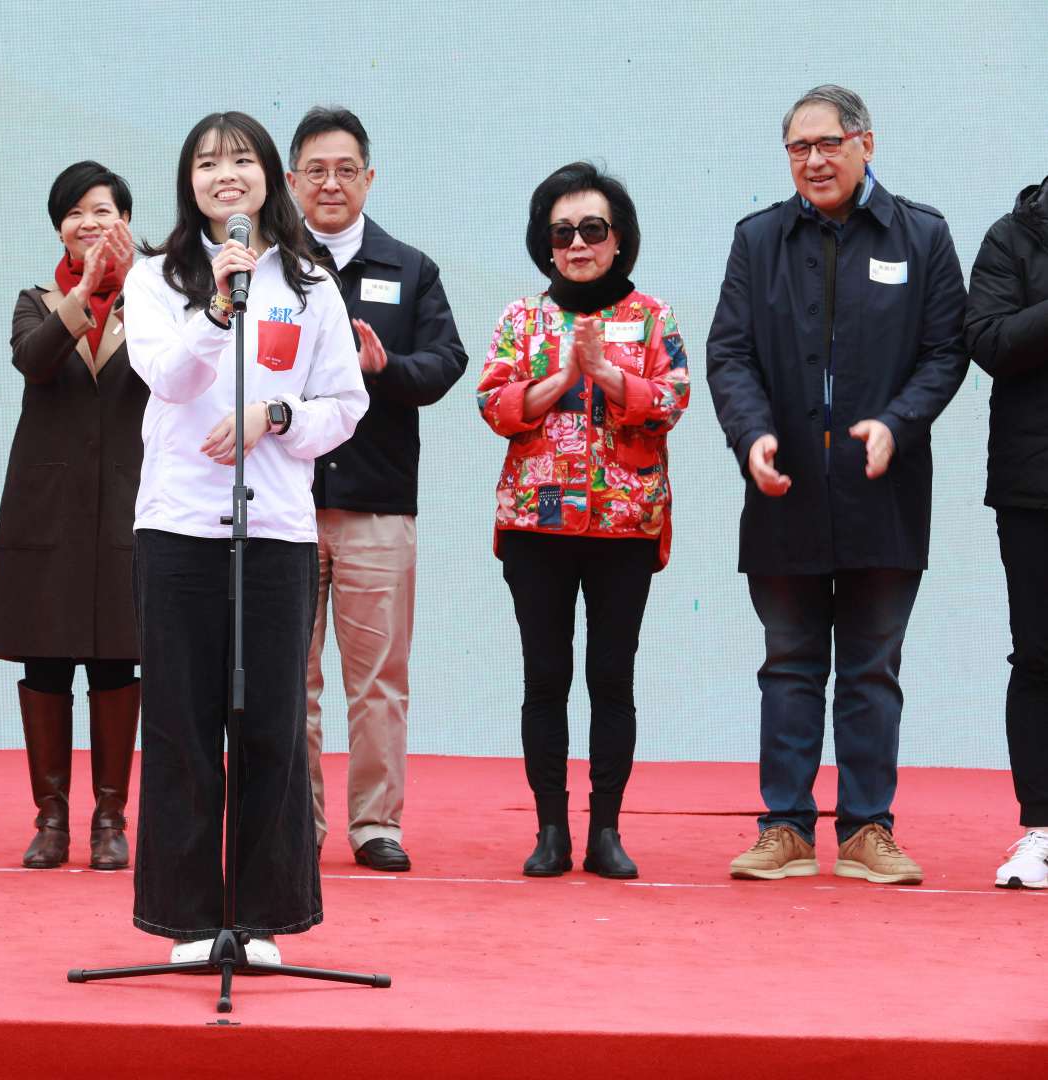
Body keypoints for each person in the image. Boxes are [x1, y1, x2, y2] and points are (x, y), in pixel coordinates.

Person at [707, 85, 968, 885]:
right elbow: (731, 354)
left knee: (871, 666)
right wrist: (752, 437)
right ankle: (784, 826)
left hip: (882, 488)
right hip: (784, 488)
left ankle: (867, 830)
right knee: (787, 663)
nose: (814, 161)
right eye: (798, 149)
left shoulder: (921, 236)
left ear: (867, 144)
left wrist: (898, 422)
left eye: (829, 143)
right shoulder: (758, 241)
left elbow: (945, 350)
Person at [124, 111, 368, 963]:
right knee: (184, 724)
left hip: (275, 530)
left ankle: (264, 916)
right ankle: (186, 917)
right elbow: (162, 376)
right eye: (205, 163)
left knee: (269, 723)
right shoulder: (158, 277)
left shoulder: (309, 283)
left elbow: (346, 405)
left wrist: (277, 414)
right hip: (180, 526)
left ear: (269, 175)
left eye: (239, 161)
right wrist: (217, 310)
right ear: (188, 182)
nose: (224, 175)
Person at [478, 162, 690, 880]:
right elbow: (494, 406)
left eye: (591, 230)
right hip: (537, 528)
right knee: (545, 678)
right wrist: (565, 377)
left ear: (619, 240)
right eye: (561, 231)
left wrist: (606, 375)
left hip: (625, 529)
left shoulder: (654, 317)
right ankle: (549, 832)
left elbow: (671, 400)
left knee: (612, 678)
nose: (576, 243)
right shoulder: (522, 318)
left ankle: (606, 831)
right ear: (545, 243)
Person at [285, 106, 467, 874]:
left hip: (377, 508)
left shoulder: (408, 267)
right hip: (283, 504)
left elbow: (446, 364)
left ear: (369, 178)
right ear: (291, 182)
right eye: (316, 171)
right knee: (288, 679)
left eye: (346, 169)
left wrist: (384, 366)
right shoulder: (269, 267)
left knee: (378, 680)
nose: (331, 183)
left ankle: (374, 824)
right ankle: (295, 821)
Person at [0, 161, 147, 871]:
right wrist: (82, 293)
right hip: (46, 507)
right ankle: (50, 818)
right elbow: (35, 361)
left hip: (131, 502)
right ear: (60, 227)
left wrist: (145, 288)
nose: (90, 223)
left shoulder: (160, 301)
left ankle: (110, 818)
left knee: (117, 661)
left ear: (127, 223)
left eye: (103, 210)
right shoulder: (37, 298)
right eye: (76, 212)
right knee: (45, 663)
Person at [966, 169, 1048, 889]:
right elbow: (988, 340)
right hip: (1036, 484)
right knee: (1041, 654)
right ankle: (1042, 829)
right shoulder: (1013, 237)